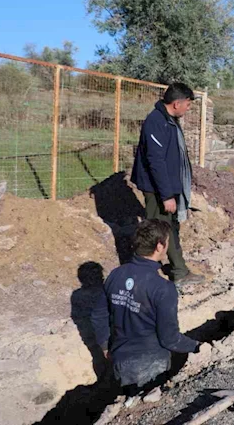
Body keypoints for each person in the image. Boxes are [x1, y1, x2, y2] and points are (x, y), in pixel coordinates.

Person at [91, 220, 205, 398]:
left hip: (121, 362)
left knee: (130, 401)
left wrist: (105, 346)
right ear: (159, 246)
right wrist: (197, 347)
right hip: (153, 364)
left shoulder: (116, 274)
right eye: (167, 242)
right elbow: (170, 339)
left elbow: (98, 315)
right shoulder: (163, 288)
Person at [131, 83, 203, 287]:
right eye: (188, 104)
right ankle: (141, 277)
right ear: (176, 103)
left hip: (166, 188)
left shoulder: (168, 120)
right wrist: (166, 195)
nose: (189, 108)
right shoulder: (156, 122)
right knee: (154, 231)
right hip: (157, 190)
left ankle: (178, 270)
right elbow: (156, 161)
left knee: (169, 228)